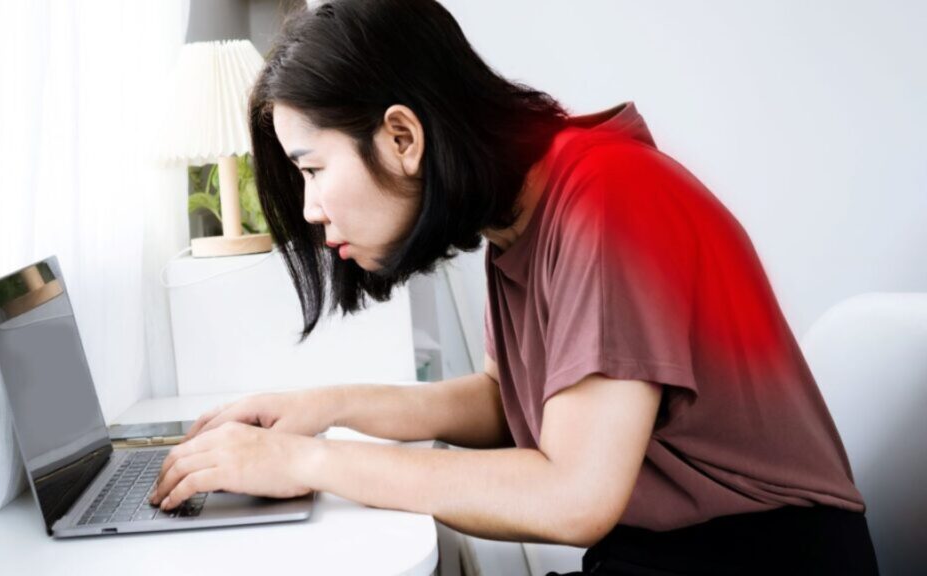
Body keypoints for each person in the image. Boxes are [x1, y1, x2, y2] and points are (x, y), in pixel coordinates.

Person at [149, 1, 880, 573]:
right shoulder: (526, 214)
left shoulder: (606, 200)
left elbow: (573, 495)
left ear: (403, 138)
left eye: (312, 170)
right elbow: (514, 404)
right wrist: (323, 409)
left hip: (757, 558)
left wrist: (311, 462)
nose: (310, 211)